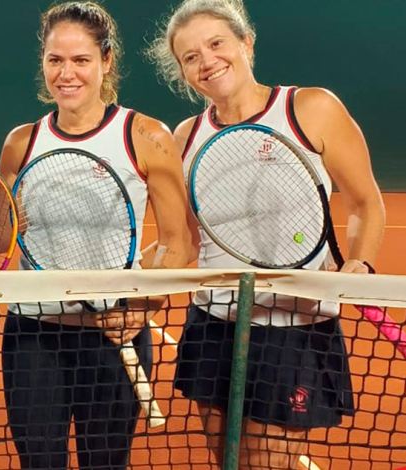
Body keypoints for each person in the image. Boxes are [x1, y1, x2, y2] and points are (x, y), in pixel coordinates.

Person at [146, 0, 386, 468]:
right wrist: (125, 288)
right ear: (183, 71)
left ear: (246, 43)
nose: (207, 61)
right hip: (213, 325)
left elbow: (365, 202)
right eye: (190, 56)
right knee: (227, 460)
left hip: (293, 329)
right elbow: (185, 242)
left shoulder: (311, 109)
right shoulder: (185, 138)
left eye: (216, 43)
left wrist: (361, 262)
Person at [0, 2, 190, 468]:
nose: (67, 73)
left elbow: (177, 243)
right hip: (33, 338)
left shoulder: (146, 135)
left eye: (81, 60)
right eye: (55, 60)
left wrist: (141, 308)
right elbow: (1, 237)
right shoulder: (20, 143)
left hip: (114, 339)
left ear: (106, 60)